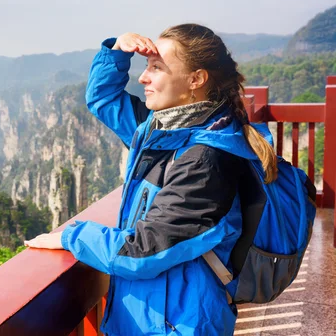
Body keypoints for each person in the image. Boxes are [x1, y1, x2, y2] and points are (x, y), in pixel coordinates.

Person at [24, 24, 278, 336]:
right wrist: (117, 51)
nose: (143, 77)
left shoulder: (208, 159)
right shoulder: (158, 130)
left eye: (156, 68)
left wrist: (70, 237)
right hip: (148, 315)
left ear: (196, 79)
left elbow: (143, 251)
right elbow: (103, 100)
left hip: (177, 323)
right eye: (146, 66)